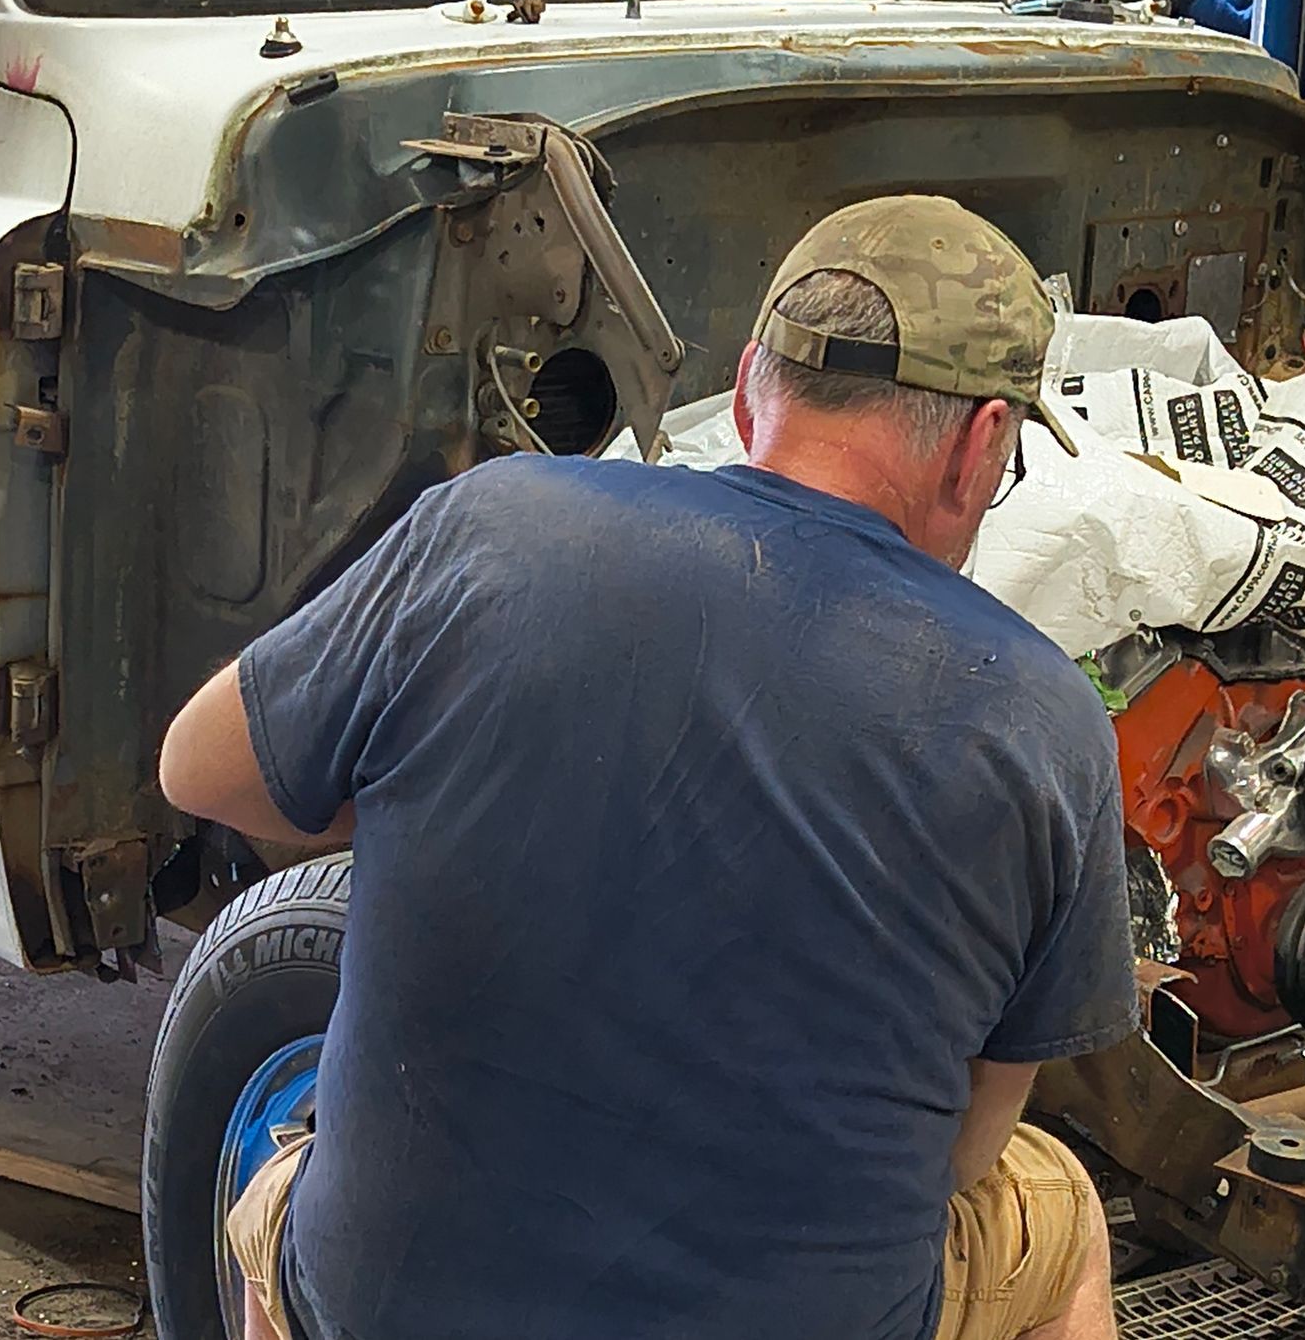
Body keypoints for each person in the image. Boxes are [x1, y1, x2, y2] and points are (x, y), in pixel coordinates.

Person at [159, 193, 1137, 1340]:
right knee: (1059, 1209)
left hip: (381, 1316)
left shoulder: (494, 529)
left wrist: (447, 778)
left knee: (280, 1185)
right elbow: (963, 1147)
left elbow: (197, 768)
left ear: (749, 384)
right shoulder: (1043, 718)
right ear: (980, 448)